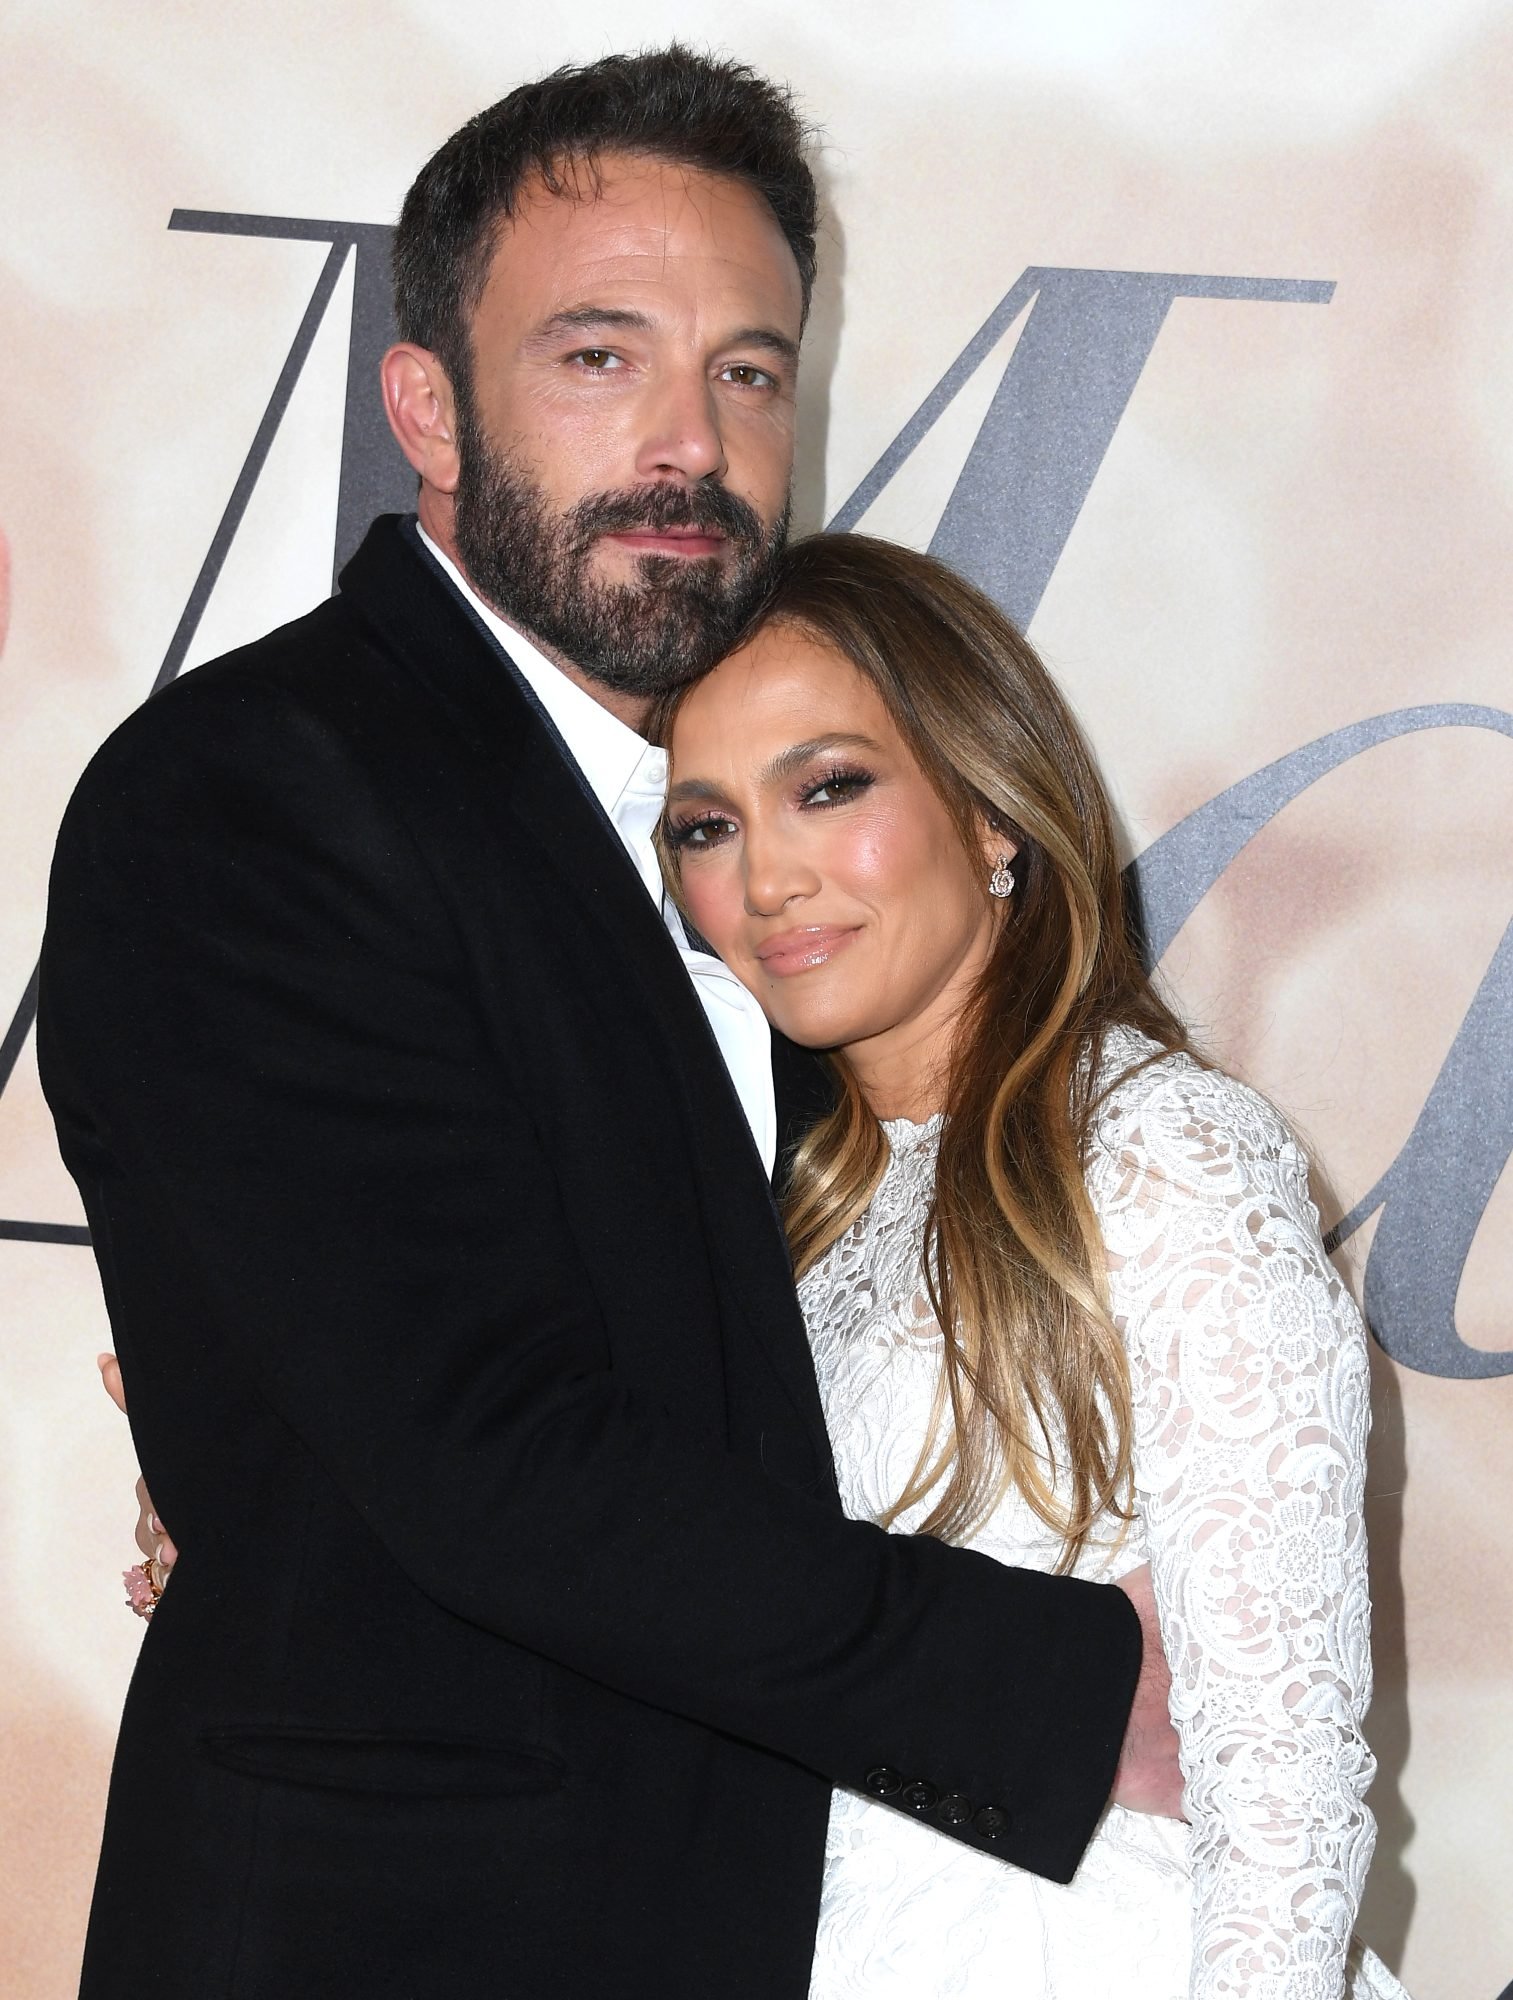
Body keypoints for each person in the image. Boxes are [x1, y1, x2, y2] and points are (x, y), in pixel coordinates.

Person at [40, 49, 1171, 2000]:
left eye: (749, 371)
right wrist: (1069, 1692)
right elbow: (492, 1453)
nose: (690, 442)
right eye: (597, 356)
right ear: (427, 407)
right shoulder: (250, 793)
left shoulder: (758, 849)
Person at [656, 531, 1409, 1999]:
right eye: (705, 826)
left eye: (828, 788)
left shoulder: (1163, 1148)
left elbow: (1283, 1773)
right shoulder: (779, 1211)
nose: (767, 878)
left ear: (991, 809)